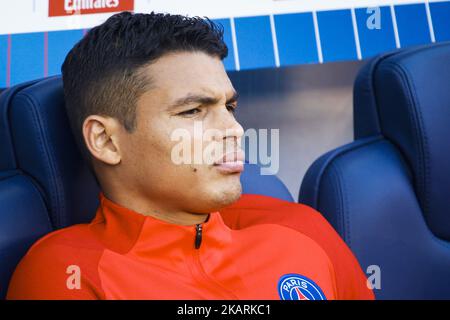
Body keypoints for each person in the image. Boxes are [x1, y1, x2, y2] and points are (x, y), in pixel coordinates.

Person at [7, 12, 373, 300]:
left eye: (230, 106)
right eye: (193, 111)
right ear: (105, 141)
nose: (233, 129)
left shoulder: (301, 228)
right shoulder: (68, 272)